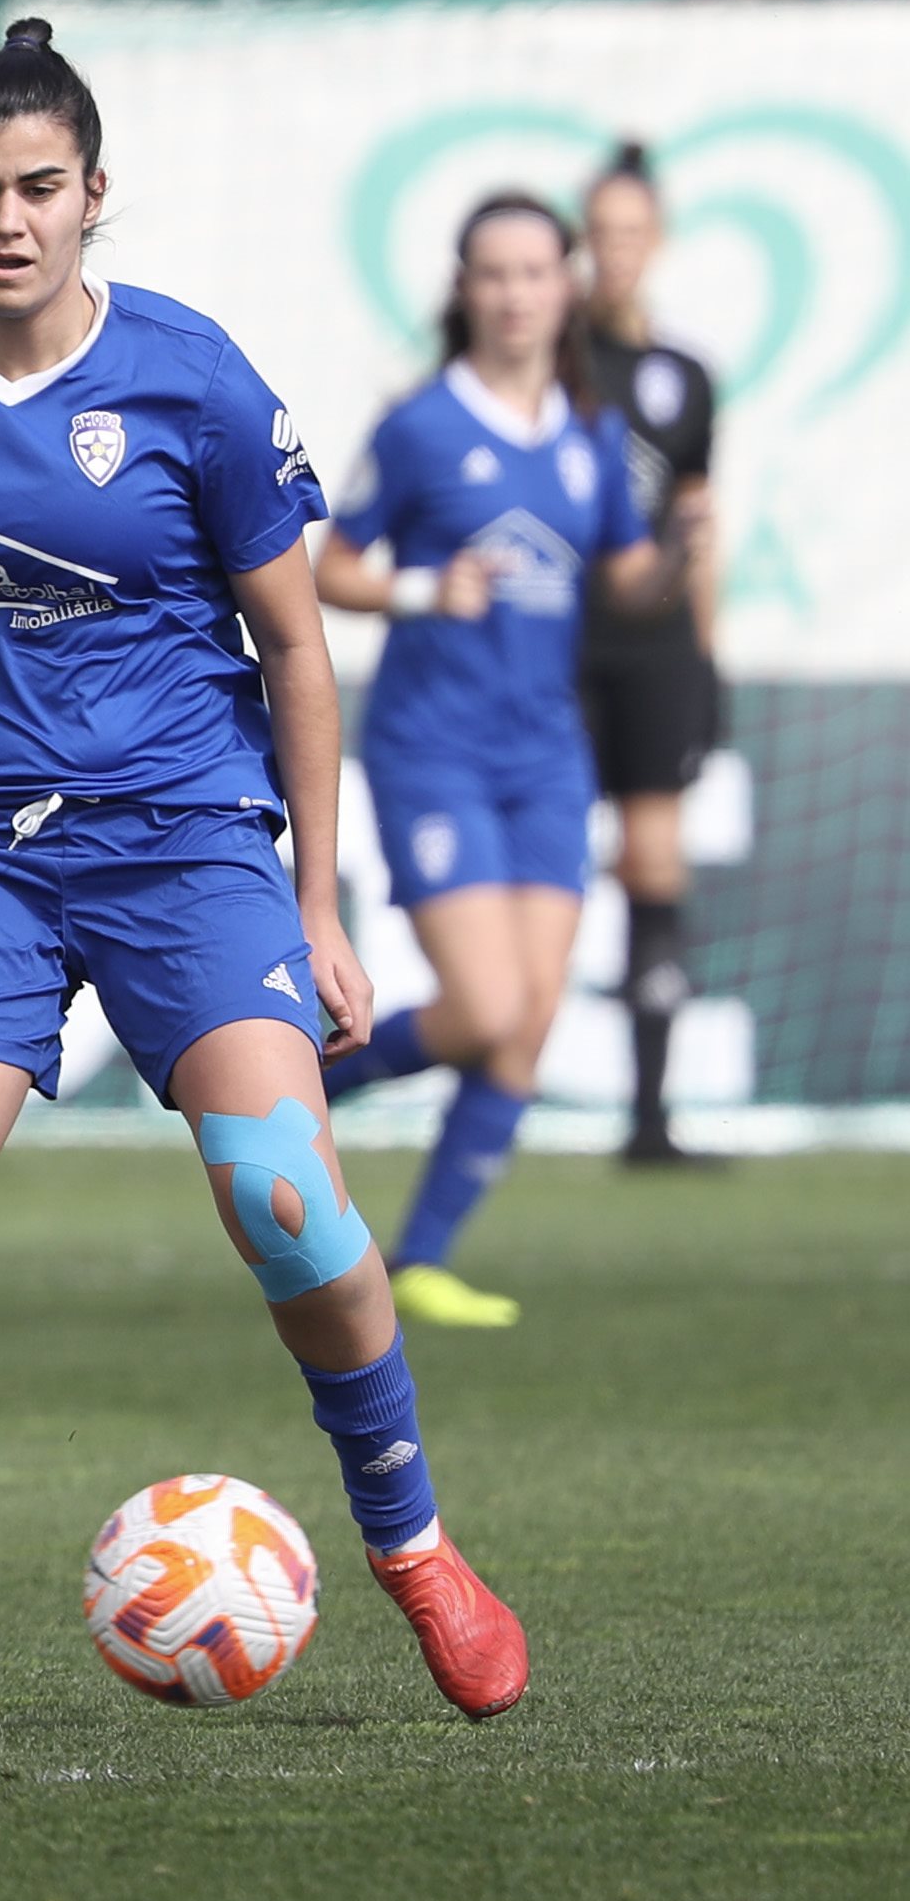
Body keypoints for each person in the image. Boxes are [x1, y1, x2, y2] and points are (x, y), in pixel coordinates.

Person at [0, 20, 527, 1751]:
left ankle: (410, 1541)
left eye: (37, 189)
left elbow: (292, 648)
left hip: (187, 845)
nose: (4, 220)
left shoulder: (191, 379)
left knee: (284, 1200)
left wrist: (318, 906)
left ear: (91, 196)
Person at [314, 194, 662, 1326]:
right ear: (462, 290)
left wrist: (679, 551)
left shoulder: (590, 431)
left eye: (532, 272)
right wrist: (427, 588)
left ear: (564, 287)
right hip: (435, 751)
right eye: (492, 273)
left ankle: (418, 1258)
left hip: (546, 758)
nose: (514, 294)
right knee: (484, 1003)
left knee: (528, 1019)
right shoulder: (420, 425)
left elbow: (619, 572)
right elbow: (331, 566)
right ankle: (297, 1086)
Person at [578, 142, 721, 1164]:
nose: (616, 253)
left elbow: (695, 520)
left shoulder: (685, 378)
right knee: (539, 861)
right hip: (556, 646)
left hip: (654, 649)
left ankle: (648, 1116)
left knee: (650, 861)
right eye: (601, 235)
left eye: (632, 234)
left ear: (655, 241)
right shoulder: (546, 359)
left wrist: (704, 657)